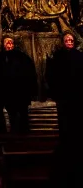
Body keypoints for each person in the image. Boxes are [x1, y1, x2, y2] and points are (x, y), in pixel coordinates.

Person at [47, 33, 83, 187]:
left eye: (71, 40)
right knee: (64, 120)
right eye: (67, 40)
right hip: (63, 96)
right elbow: (52, 76)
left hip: (78, 96)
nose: (69, 42)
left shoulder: (80, 56)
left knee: (77, 121)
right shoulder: (58, 57)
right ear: (63, 42)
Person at [0, 36, 37, 134]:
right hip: (3, 92)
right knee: (3, 115)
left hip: (19, 91)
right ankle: (3, 134)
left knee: (21, 114)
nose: (9, 44)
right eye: (6, 42)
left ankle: (22, 134)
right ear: (3, 44)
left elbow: (30, 74)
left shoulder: (23, 58)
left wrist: (30, 90)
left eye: (10, 41)